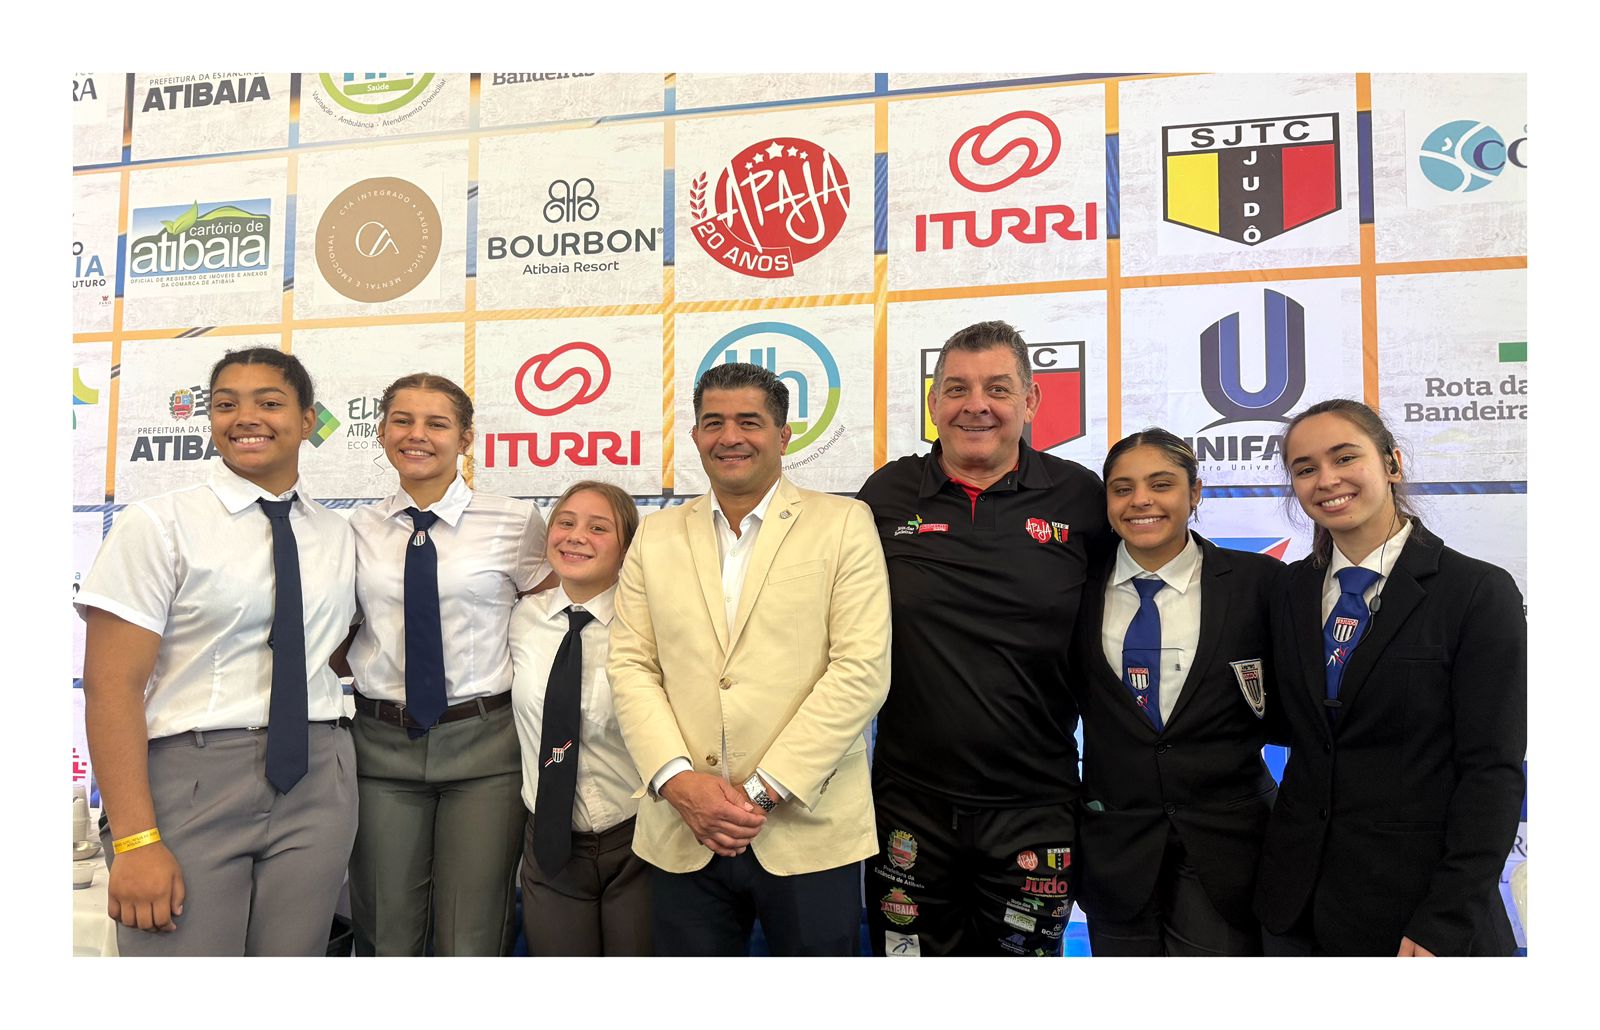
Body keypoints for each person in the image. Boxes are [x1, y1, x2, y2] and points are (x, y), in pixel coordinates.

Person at [77, 347, 357, 956]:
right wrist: (135, 840)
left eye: (269, 402)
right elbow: (110, 687)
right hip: (193, 778)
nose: (245, 417)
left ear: (308, 421)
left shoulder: (338, 533)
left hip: (320, 776)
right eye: (226, 404)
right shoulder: (159, 524)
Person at [608, 362, 891, 956]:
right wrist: (677, 782)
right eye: (713, 423)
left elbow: (861, 669)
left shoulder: (843, 523)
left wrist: (759, 793)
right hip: (682, 827)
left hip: (807, 828)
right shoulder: (655, 535)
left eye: (749, 422)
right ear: (695, 435)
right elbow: (631, 666)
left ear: (783, 435)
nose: (729, 437)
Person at [855, 320, 1112, 957]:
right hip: (908, 808)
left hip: (1036, 807)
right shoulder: (886, 495)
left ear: (1031, 400)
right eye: (956, 388)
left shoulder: (1080, 498)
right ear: (933, 403)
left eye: (997, 388)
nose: (976, 405)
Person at [1254, 398, 1526, 956]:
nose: (1326, 480)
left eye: (1344, 457)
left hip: (1419, 914)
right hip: (1296, 908)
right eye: (1305, 468)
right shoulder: (1287, 591)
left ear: (1392, 463)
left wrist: (1446, 918)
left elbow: (1492, 772)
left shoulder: (1477, 592)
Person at [344, 373, 547, 956]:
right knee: (385, 932)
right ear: (381, 432)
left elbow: (551, 622)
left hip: (485, 749)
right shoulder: (355, 528)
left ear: (465, 438)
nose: (417, 435)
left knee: (471, 935)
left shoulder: (515, 522)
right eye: (402, 421)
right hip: (381, 748)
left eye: (437, 423)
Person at [1073, 429, 1285, 956]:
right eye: (1122, 488)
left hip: (1229, 846)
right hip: (1115, 846)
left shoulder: (1261, 582)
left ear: (1195, 493)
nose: (1140, 500)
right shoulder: (1074, 585)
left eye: (1161, 484)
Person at [509, 480, 651, 955]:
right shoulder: (519, 619)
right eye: (565, 523)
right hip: (550, 846)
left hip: (637, 841)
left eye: (598, 528)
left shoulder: (648, 624)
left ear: (627, 547)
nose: (576, 536)